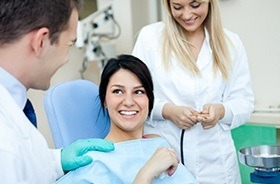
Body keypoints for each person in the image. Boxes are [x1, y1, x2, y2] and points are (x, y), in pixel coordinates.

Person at [132, 0, 254, 183]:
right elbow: (135, 96)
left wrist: (221, 111)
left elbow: (244, 101)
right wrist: (167, 111)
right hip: (165, 161)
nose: (187, 15)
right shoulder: (150, 37)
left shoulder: (231, 43)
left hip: (217, 167)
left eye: (195, 5)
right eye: (177, 7)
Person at [0, 0, 115, 183]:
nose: (66, 60)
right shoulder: (5, 144)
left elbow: (25, 163)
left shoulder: (12, 106)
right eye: (69, 44)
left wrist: (57, 161)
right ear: (41, 41)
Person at [55, 54, 197, 184]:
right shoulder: (93, 165)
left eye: (138, 92)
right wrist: (146, 174)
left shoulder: (159, 145)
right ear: (104, 99)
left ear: (150, 100)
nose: (129, 102)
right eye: (118, 91)